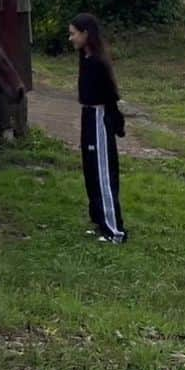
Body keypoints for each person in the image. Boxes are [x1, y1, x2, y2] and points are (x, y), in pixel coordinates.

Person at [68, 12, 127, 244]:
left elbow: (111, 96)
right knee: (91, 171)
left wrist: (116, 123)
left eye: (73, 34)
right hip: (87, 114)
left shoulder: (99, 63)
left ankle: (115, 231)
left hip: (99, 118)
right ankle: (100, 222)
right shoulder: (85, 57)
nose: (70, 38)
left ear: (85, 34)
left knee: (102, 173)